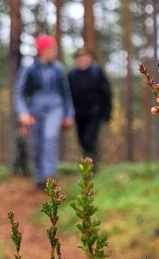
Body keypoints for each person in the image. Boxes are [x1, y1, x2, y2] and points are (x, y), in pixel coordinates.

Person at [14, 34, 75, 188]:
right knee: (36, 143)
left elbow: (66, 93)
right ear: (41, 50)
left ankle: (49, 177)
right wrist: (23, 112)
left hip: (55, 108)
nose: (54, 51)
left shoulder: (58, 69)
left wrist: (69, 114)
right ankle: (39, 177)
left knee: (49, 138)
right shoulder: (29, 68)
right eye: (51, 48)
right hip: (35, 110)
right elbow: (19, 92)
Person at [68, 47, 112, 163]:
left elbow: (107, 93)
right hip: (79, 114)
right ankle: (87, 164)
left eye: (84, 58)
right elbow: (68, 95)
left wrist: (107, 112)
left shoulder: (96, 72)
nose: (81, 61)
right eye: (79, 58)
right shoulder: (72, 75)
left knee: (89, 139)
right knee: (82, 140)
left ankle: (92, 165)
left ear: (90, 58)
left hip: (94, 113)